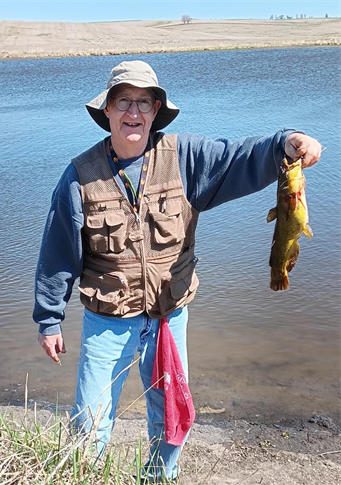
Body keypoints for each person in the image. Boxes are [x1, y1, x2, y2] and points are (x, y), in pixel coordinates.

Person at [34, 60, 321, 483]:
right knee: (89, 424)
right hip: (107, 320)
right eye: (123, 102)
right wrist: (48, 318)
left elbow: (239, 157)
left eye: (144, 103)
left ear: (155, 111)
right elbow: (57, 253)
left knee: (171, 420)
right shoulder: (78, 177)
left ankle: (159, 479)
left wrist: (287, 143)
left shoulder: (186, 157)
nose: (134, 113)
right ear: (107, 111)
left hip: (170, 318)